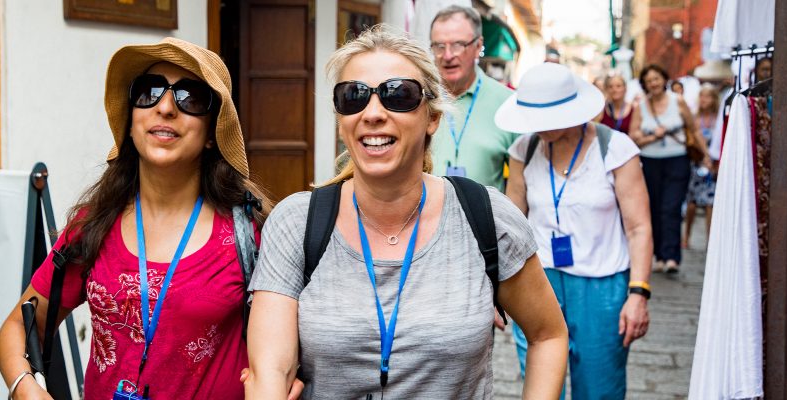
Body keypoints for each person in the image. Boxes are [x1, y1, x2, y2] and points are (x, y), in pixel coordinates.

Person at [242, 25, 568, 399]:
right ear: (341, 118)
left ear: (432, 117)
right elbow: (270, 371)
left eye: (399, 95)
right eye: (354, 97)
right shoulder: (296, 223)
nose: (373, 113)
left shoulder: (486, 218)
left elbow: (548, 334)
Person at [0, 38, 276, 399]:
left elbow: (286, 360)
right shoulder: (94, 224)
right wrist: (25, 387)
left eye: (189, 97)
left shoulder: (250, 234)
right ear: (130, 124)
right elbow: (18, 325)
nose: (165, 107)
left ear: (212, 133)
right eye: (148, 91)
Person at [502, 62, 653, 399]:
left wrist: (638, 293)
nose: (537, 128)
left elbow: (639, 227)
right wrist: (499, 290)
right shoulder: (523, 150)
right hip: (537, 283)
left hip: (602, 286)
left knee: (599, 389)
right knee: (541, 387)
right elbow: (513, 224)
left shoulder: (615, 149)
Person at [629, 65, 711, 274]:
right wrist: (652, 137)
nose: (653, 83)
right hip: (650, 162)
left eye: (656, 79)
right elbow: (633, 137)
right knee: (654, 208)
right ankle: (658, 255)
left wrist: (706, 156)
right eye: (649, 81)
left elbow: (693, 129)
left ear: (664, 79)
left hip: (677, 160)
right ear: (644, 85)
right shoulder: (642, 107)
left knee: (671, 207)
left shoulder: (678, 101)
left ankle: (672, 257)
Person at [428, 5, 519, 190]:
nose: (447, 56)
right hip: (425, 217)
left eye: (458, 45)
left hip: (487, 218)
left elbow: (521, 185)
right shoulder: (418, 99)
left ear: (478, 47)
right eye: (439, 46)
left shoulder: (509, 104)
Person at [683, 85, 720, 248]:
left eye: (708, 96)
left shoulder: (718, 118)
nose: (704, 100)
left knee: (710, 203)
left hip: (713, 165)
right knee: (691, 202)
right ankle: (686, 236)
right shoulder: (694, 117)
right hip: (696, 163)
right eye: (702, 96)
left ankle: (710, 239)